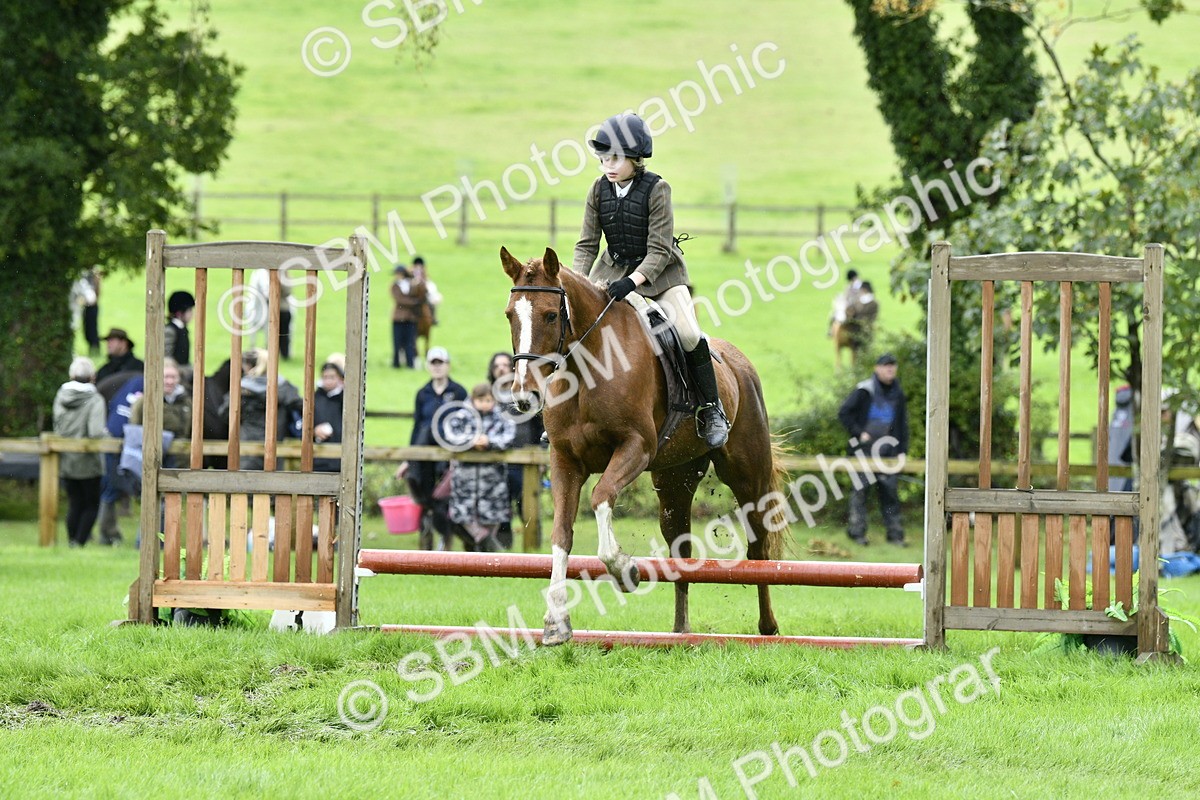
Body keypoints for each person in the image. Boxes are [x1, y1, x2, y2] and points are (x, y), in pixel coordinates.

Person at [572, 113, 729, 447]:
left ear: (634, 158)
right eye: (602, 159)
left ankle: (711, 408)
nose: (607, 165)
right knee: (577, 327)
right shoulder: (597, 190)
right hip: (611, 272)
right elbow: (587, 244)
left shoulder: (658, 189)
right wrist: (577, 284)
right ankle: (568, 412)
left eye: (613, 158)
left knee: (687, 333)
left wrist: (632, 281)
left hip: (662, 277)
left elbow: (658, 250)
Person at [395, 346, 468, 550]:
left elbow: (465, 423)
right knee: (424, 496)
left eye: (440, 363)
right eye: (433, 363)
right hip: (424, 453)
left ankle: (445, 539)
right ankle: (426, 540)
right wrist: (409, 458)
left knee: (444, 497)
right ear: (428, 366)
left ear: (448, 365)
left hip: (449, 452)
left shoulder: (458, 392)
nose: (437, 367)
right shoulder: (422, 394)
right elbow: (417, 425)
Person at [837, 353, 910, 546]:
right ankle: (857, 533)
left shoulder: (898, 393)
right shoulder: (864, 390)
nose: (890, 370)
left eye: (893, 366)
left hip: (888, 454)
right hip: (864, 452)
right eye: (886, 366)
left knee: (890, 495)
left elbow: (902, 425)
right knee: (860, 493)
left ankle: (895, 536)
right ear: (877, 368)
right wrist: (859, 433)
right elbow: (844, 413)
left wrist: (902, 450)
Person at [445, 383, 517, 551]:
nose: (485, 403)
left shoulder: (502, 418)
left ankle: (487, 555)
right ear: (473, 399)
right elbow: (450, 435)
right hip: (465, 478)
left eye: (489, 400)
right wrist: (471, 440)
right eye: (481, 400)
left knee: (493, 516)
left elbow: (509, 435)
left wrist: (489, 442)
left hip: (493, 479)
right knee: (463, 515)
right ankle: (484, 546)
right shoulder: (461, 416)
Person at [487, 351, 544, 549]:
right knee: (500, 508)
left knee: (527, 506)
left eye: (505, 365)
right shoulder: (486, 396)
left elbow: (541, 427)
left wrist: (541, 455)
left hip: (525, 460)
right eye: (497, 366)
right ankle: (504, 551)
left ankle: (534, 548)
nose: (501, 369)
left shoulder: (526, 394)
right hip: (495, 462)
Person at [53, 357, 108, 547]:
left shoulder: (61, 396)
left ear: (71, 375)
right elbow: (95, 432)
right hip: (89, 461)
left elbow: (58, 428)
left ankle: (71, 541)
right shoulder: (95, 400)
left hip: (66, 458)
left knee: (74, 502)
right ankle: (79, 542)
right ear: (93, 376)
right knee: (91, 504)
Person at [220, 348, 304, 470]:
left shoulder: (240, 390)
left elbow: (225, 414)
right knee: (273, 485)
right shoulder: (283, 388)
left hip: (247, 446)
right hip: (275, 445)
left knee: (245, 484)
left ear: (248, 366)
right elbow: (303, 408)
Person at [312, 359, 345, 473]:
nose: (328, 381)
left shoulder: (345, 398)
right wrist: (314, 431)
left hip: (342, 457)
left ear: (340, 378)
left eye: (332, 377)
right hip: (318, 457)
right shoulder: (314, 397)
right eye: (325, 377)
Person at [391, 264, 425, 368]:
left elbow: (422, 290)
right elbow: (400, 299)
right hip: (398, 318)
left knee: (410, 343)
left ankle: (410, 363)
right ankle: (396, 363)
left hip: (411, 318)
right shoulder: (395, 286)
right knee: (397, 342)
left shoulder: (412, 284)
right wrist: (415, 302)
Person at [69, 268, 101, 356]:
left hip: (90, 306)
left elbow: (92, 297)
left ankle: (95, 349)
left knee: (91, 330)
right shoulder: (85, 274)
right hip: (85, 305)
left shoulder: (90, 273)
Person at [164, 291, 195, 367]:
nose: (192, 314)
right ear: (179, 313)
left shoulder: (182, 329)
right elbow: (167, 358)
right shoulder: (170, 331)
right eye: (190, 310)